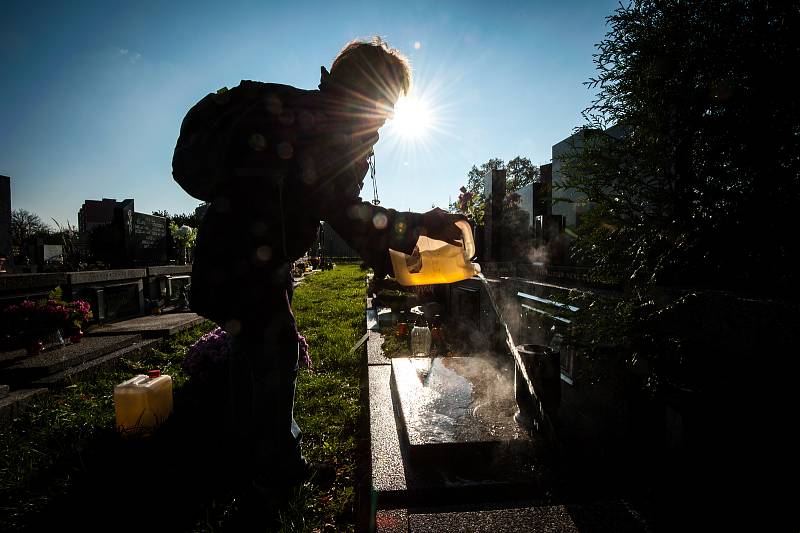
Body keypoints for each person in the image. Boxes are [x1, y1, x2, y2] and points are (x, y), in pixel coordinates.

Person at [172, 37, 464, 504]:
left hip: (233, 255)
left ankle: (243, 456)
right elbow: (345, 211)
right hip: (247, 261)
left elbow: (323, 204)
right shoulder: (328, 128)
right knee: (274, 350)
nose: (387, 116)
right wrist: (416, 228)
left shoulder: (304, 109)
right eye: (388, 101)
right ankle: (276, 476)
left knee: (255, 353)